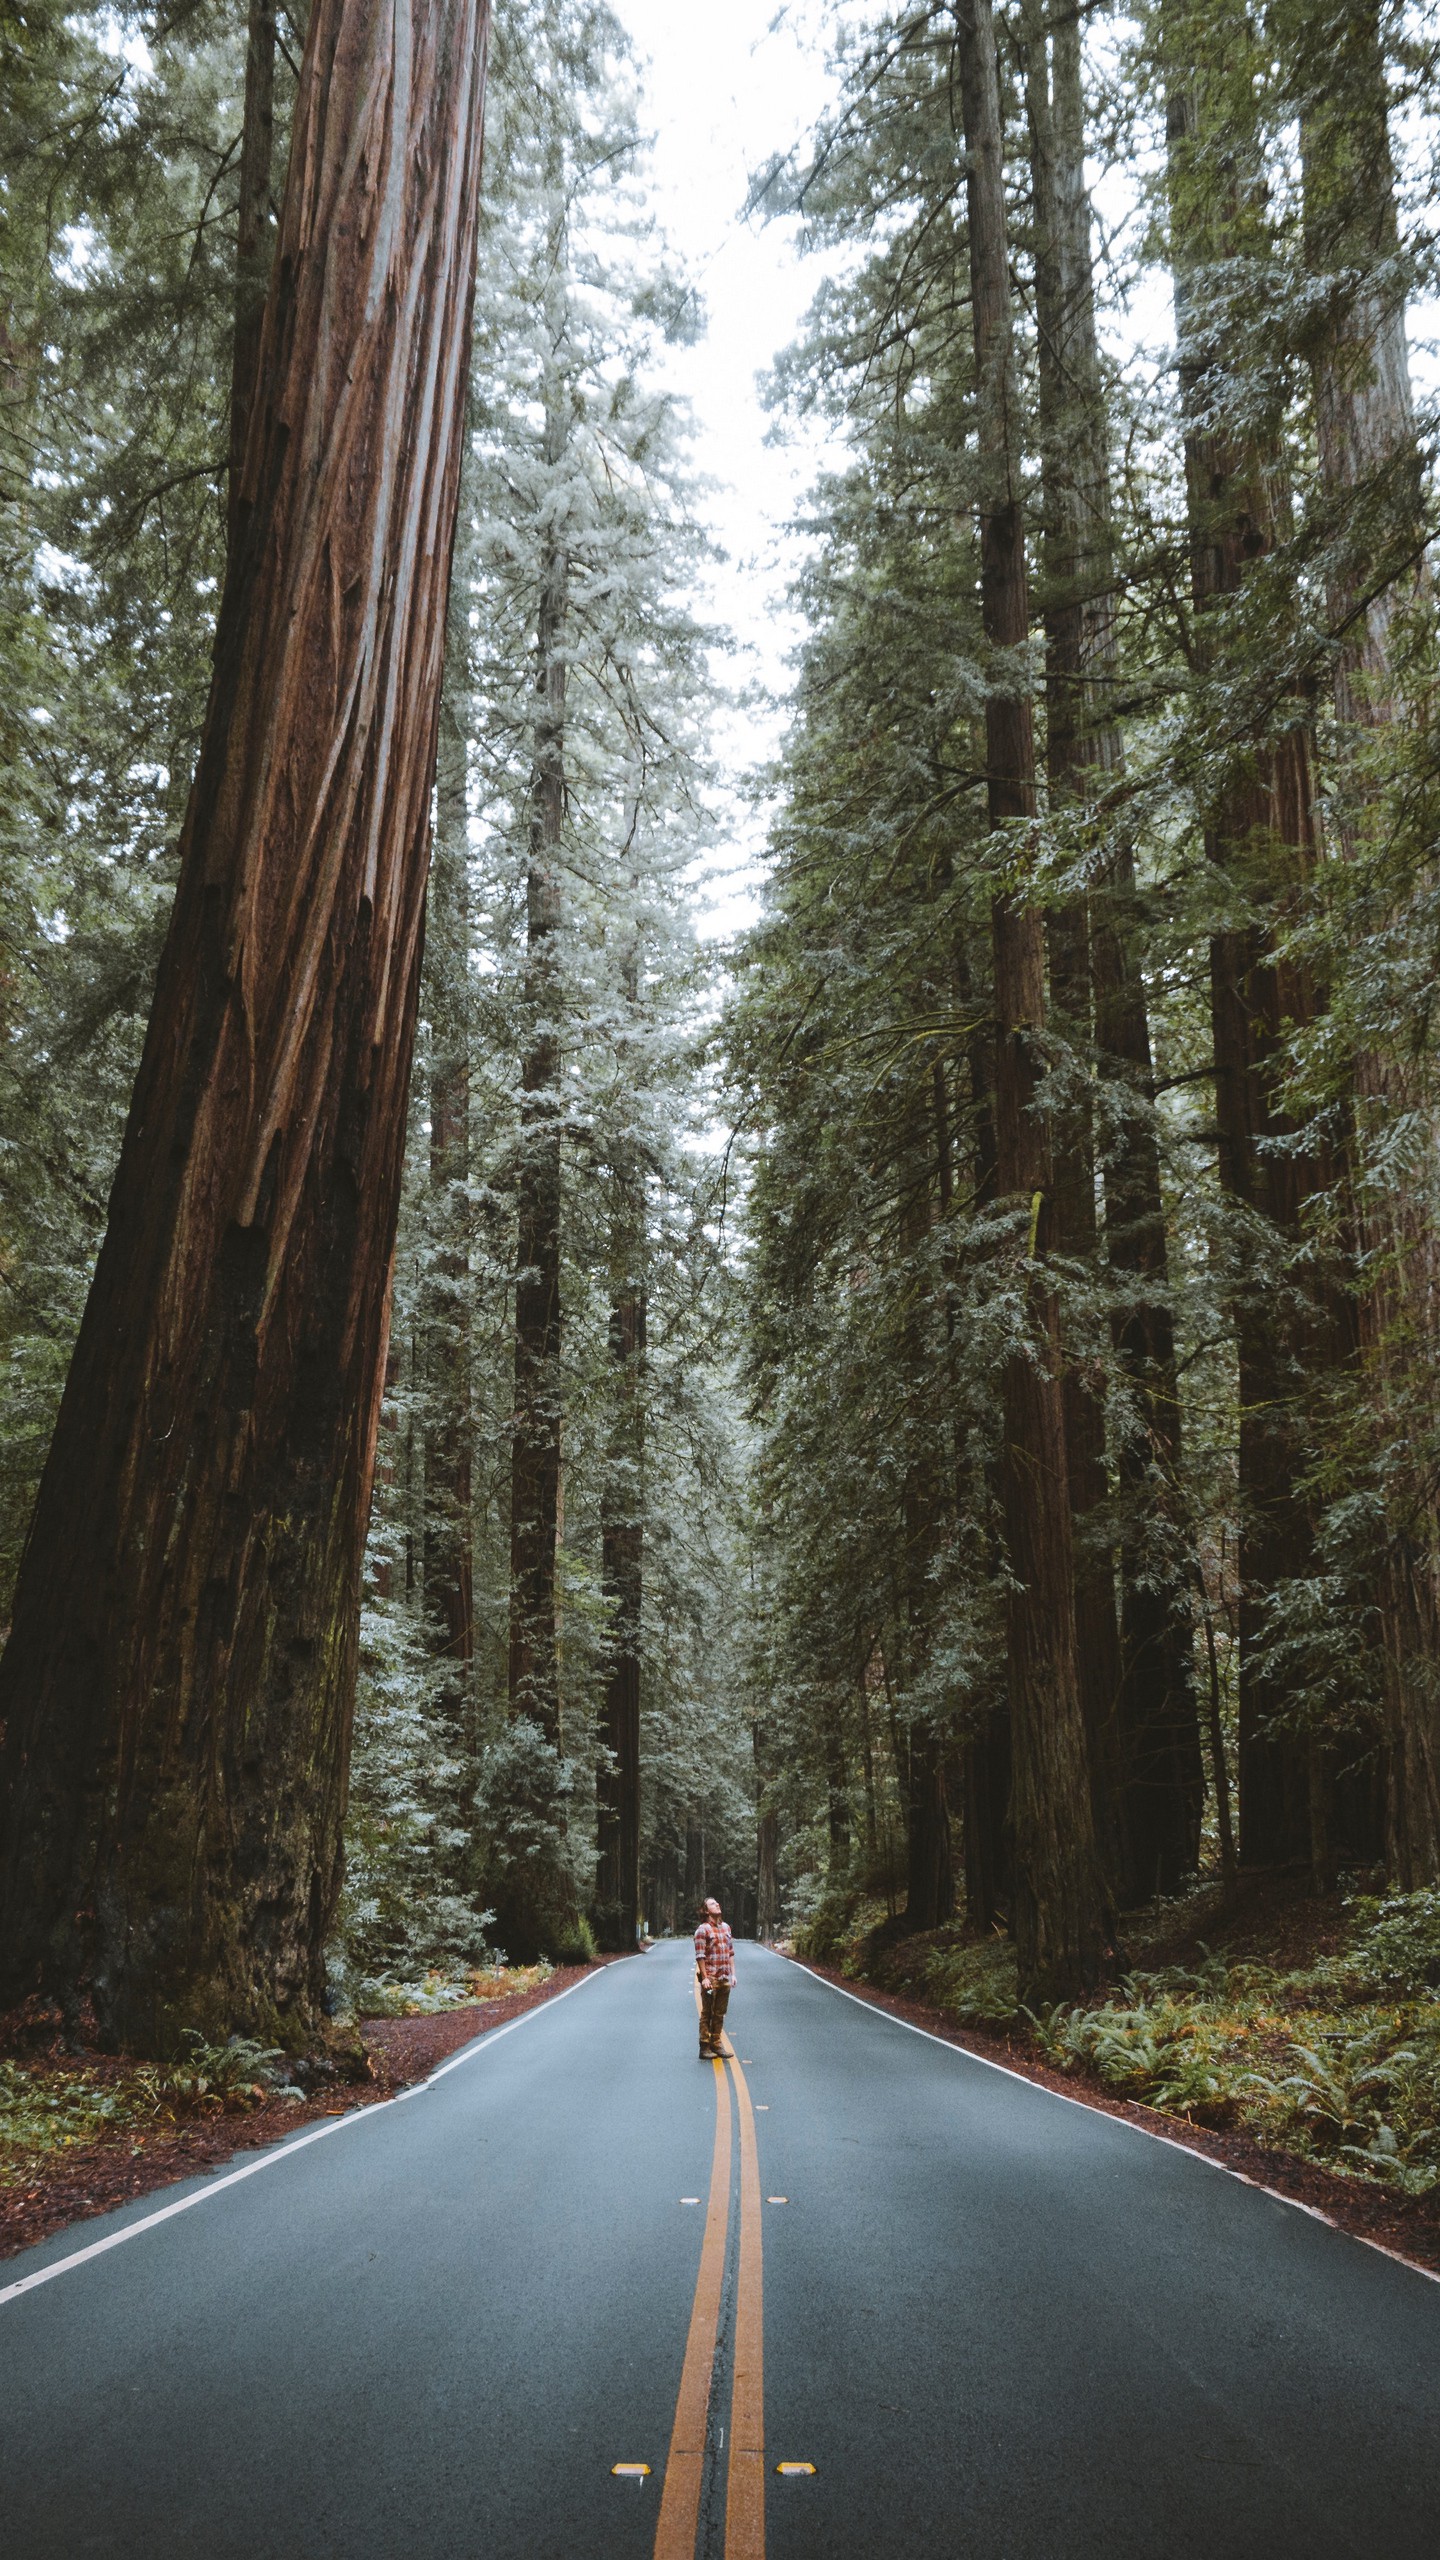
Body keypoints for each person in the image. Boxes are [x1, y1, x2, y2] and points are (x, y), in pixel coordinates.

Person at [694, 1896, 736, 2059]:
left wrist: (733, 1974)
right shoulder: (702, 1930)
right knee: (707, 2013)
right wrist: (704, 1978)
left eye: (717, 1902)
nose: (717, 1904)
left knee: (720, 2013)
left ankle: (716, 2044)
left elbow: (731, 1952)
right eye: (712, 1904)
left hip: (724, 1977)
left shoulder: (726, 1928)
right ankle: (704, 2046)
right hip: (710, 1979)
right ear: (705, 1911)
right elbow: (700, 1955)